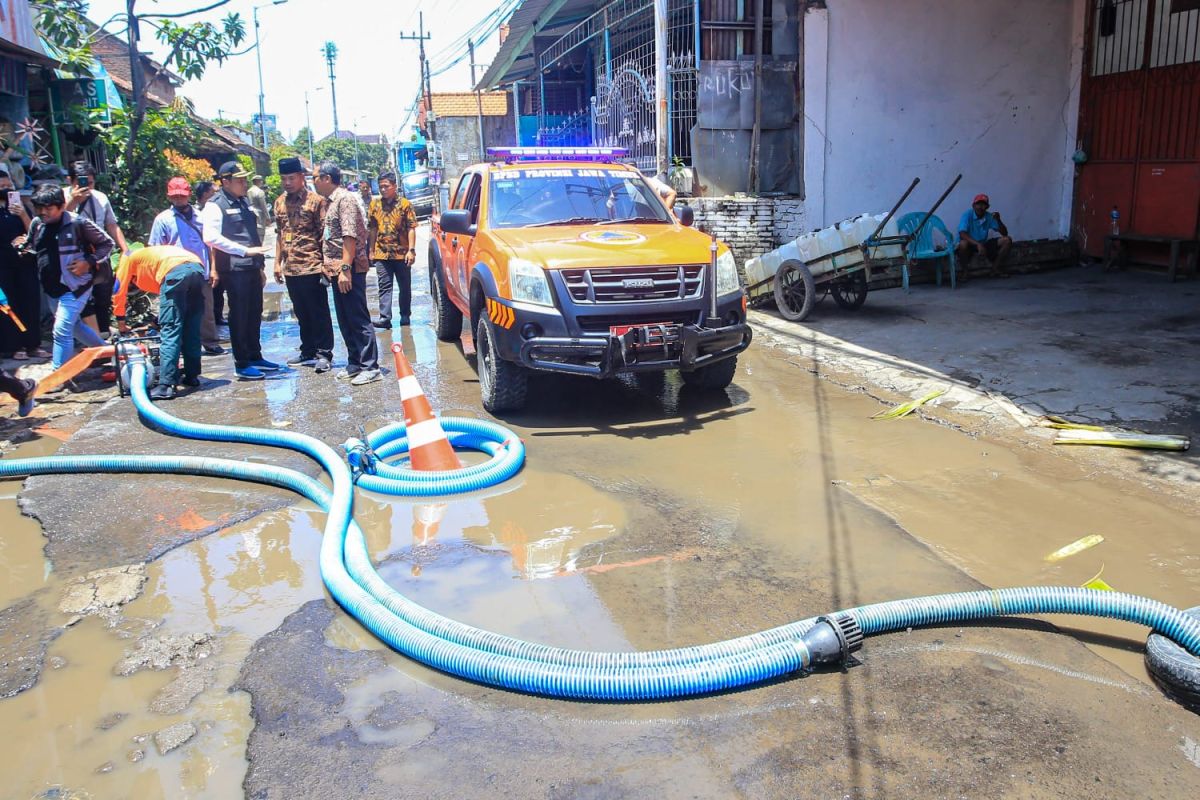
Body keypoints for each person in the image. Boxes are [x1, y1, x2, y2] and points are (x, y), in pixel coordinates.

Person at [202, 161, 277, 380]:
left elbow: (252, 234)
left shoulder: (243, 202)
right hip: (234, 268)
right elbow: (211, 237)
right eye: (240, 180)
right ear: (225, 181)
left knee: (255, 313)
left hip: (251, 267)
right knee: (240, 315)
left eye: (245, 179)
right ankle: (242, 363)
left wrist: (260, 265)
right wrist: (244, 251)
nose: (244, 184)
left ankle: (255, 356)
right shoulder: (215, 205)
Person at [27, 186, 115, 370]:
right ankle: (108, 351)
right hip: (51, 288)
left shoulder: (78, 223)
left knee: (61, 330)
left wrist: (88, 262)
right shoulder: (37, 224)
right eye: (39, 208)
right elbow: (32, 246)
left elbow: (107, 244)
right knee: (74, 326)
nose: (43, 213)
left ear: (61, 206)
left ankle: (59, 375)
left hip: (76, 286)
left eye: (48, 208)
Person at [312, 161, 380, 385]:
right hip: (335, 269)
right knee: (344, 318)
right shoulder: (330, 202)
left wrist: (344, 270)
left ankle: (370, 366)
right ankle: (355, 362)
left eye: (315, 178)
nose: (313, 182)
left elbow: (349, 237)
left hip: (348, 269)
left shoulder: (345, 200)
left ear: (327, 179)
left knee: (357, 317)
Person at [113, 246, 208, 401]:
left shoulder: (127, 259)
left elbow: (118, 292)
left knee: (170, 331)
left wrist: (121, 323)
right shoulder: (148, 257)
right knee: (191, 327)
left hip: (175, 269)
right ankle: (192, 376)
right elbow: (172, 302)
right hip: (197, 268)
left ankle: (166, 386)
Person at [148, 177, 225, 356]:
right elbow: (156, 249)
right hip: (175, 273)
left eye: (181, 196)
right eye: (174, 197)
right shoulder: (163, 220)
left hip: (202, 270)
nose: (178, 200)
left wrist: (213, 269)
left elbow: (211, 244)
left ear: (189, 194)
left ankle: (210, 342)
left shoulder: (202, 216)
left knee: (206, 310)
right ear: (169, 197)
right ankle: (182, 345)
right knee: (178, 310)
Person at [273, 157, 334, 373]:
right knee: (300, 311)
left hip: (312, 265)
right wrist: (277, 263)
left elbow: (324, 235)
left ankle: (324, 353)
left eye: (291, 178)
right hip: (291, 268)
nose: (287, 183)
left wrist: (326, 264)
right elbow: (279, 234)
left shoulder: (316, 201)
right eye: (284, 179)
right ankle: (307, 350)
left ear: (301, 177)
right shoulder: (279, 202)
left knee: (318, 312)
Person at [66, 161, 129, 335]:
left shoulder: (100, 197)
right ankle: (85, 336)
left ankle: (103, 332)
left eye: (91, 182)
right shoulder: (61, 196)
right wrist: (73, 201)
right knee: (81, 297)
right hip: (74, 256)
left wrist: (126, 250)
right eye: (81, 182)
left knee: (103, 295)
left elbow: (111, 225)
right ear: (70, 180)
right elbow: (57, 222)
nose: (87, 186)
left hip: (100, 253)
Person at [0, 166, 47, 360]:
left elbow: (34, 232)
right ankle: (14, 346)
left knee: (30, 302)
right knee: (9, 305)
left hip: (24, 262)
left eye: (8, 184)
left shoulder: (19, 206)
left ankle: (32, 344)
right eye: (2, 185)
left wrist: (22, 214)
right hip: (2, 265)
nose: (6, 188)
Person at [368, 171, 418, 328]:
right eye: (380, 186)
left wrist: (411, 250)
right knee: (384, 285)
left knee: (404, 286)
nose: (383, 189)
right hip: (382, 253)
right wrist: (371, 250)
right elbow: (373, 229)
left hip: (401, 254)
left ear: (394, 186)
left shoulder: (404, 205)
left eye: (386, 186)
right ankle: (385, 317)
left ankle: (405, 315)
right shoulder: (374, 205)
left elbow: (411, 228)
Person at [956, 193, 1012, 279]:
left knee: (1007, 240)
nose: (980, 207)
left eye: (983, 204)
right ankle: (965, 272)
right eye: (978, 204)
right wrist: (977, 244)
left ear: (987, 207)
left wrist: (998, 220)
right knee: (963, 244)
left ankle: (995, 269)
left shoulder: (989, 216)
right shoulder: (967, 215)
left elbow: (1004, 233)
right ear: (973, 205)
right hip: (970, 243)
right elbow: (962, 233)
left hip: (983, 243)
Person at [247, 175, 271, 243]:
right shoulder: (260, 192)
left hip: (250, 214)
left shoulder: (249, 191)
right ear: (258, 181)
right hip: (259, 215)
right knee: (261, 234)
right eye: (261, 181)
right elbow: (263, 206)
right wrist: (268, 217)